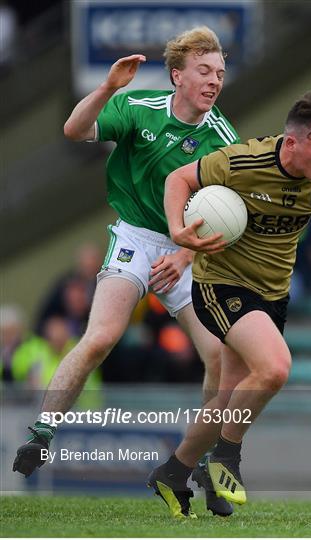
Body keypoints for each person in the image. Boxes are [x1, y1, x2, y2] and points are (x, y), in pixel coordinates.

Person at [13, 26, 239, 517]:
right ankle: (42, 432)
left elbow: (221, 217)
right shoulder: (139, 108)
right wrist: (107, 88)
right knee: (100, 337)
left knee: (219, 356)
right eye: (204, 70)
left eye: (220, 72)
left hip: (186, 254)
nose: (214, 80)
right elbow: (74, 131)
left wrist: (184, 256)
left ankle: (198, 460)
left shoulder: (223, 140)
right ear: (177, 75)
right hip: (136, 236)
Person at [146, 92, 311, 517]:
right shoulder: (240, 162)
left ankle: (174, 472)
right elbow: (177, 180)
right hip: (221, 285)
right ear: (291, 143)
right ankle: (225, 459)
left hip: (274, 293)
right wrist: (180, 235)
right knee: (275, 368)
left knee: (227, 398)